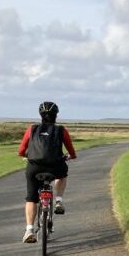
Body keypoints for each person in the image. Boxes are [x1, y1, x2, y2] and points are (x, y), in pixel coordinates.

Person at [18, 101, 77, 243]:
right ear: (56, 115)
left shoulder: (31, 129)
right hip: (55, 166)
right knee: (62, 175)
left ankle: (29, 230)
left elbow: (21, 151)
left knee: (31, 198)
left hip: (34, 167)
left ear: (40, 115)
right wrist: (71, 156)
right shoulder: (61, 130)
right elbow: (71, 151)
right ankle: (58, 200)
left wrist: (26, 156)